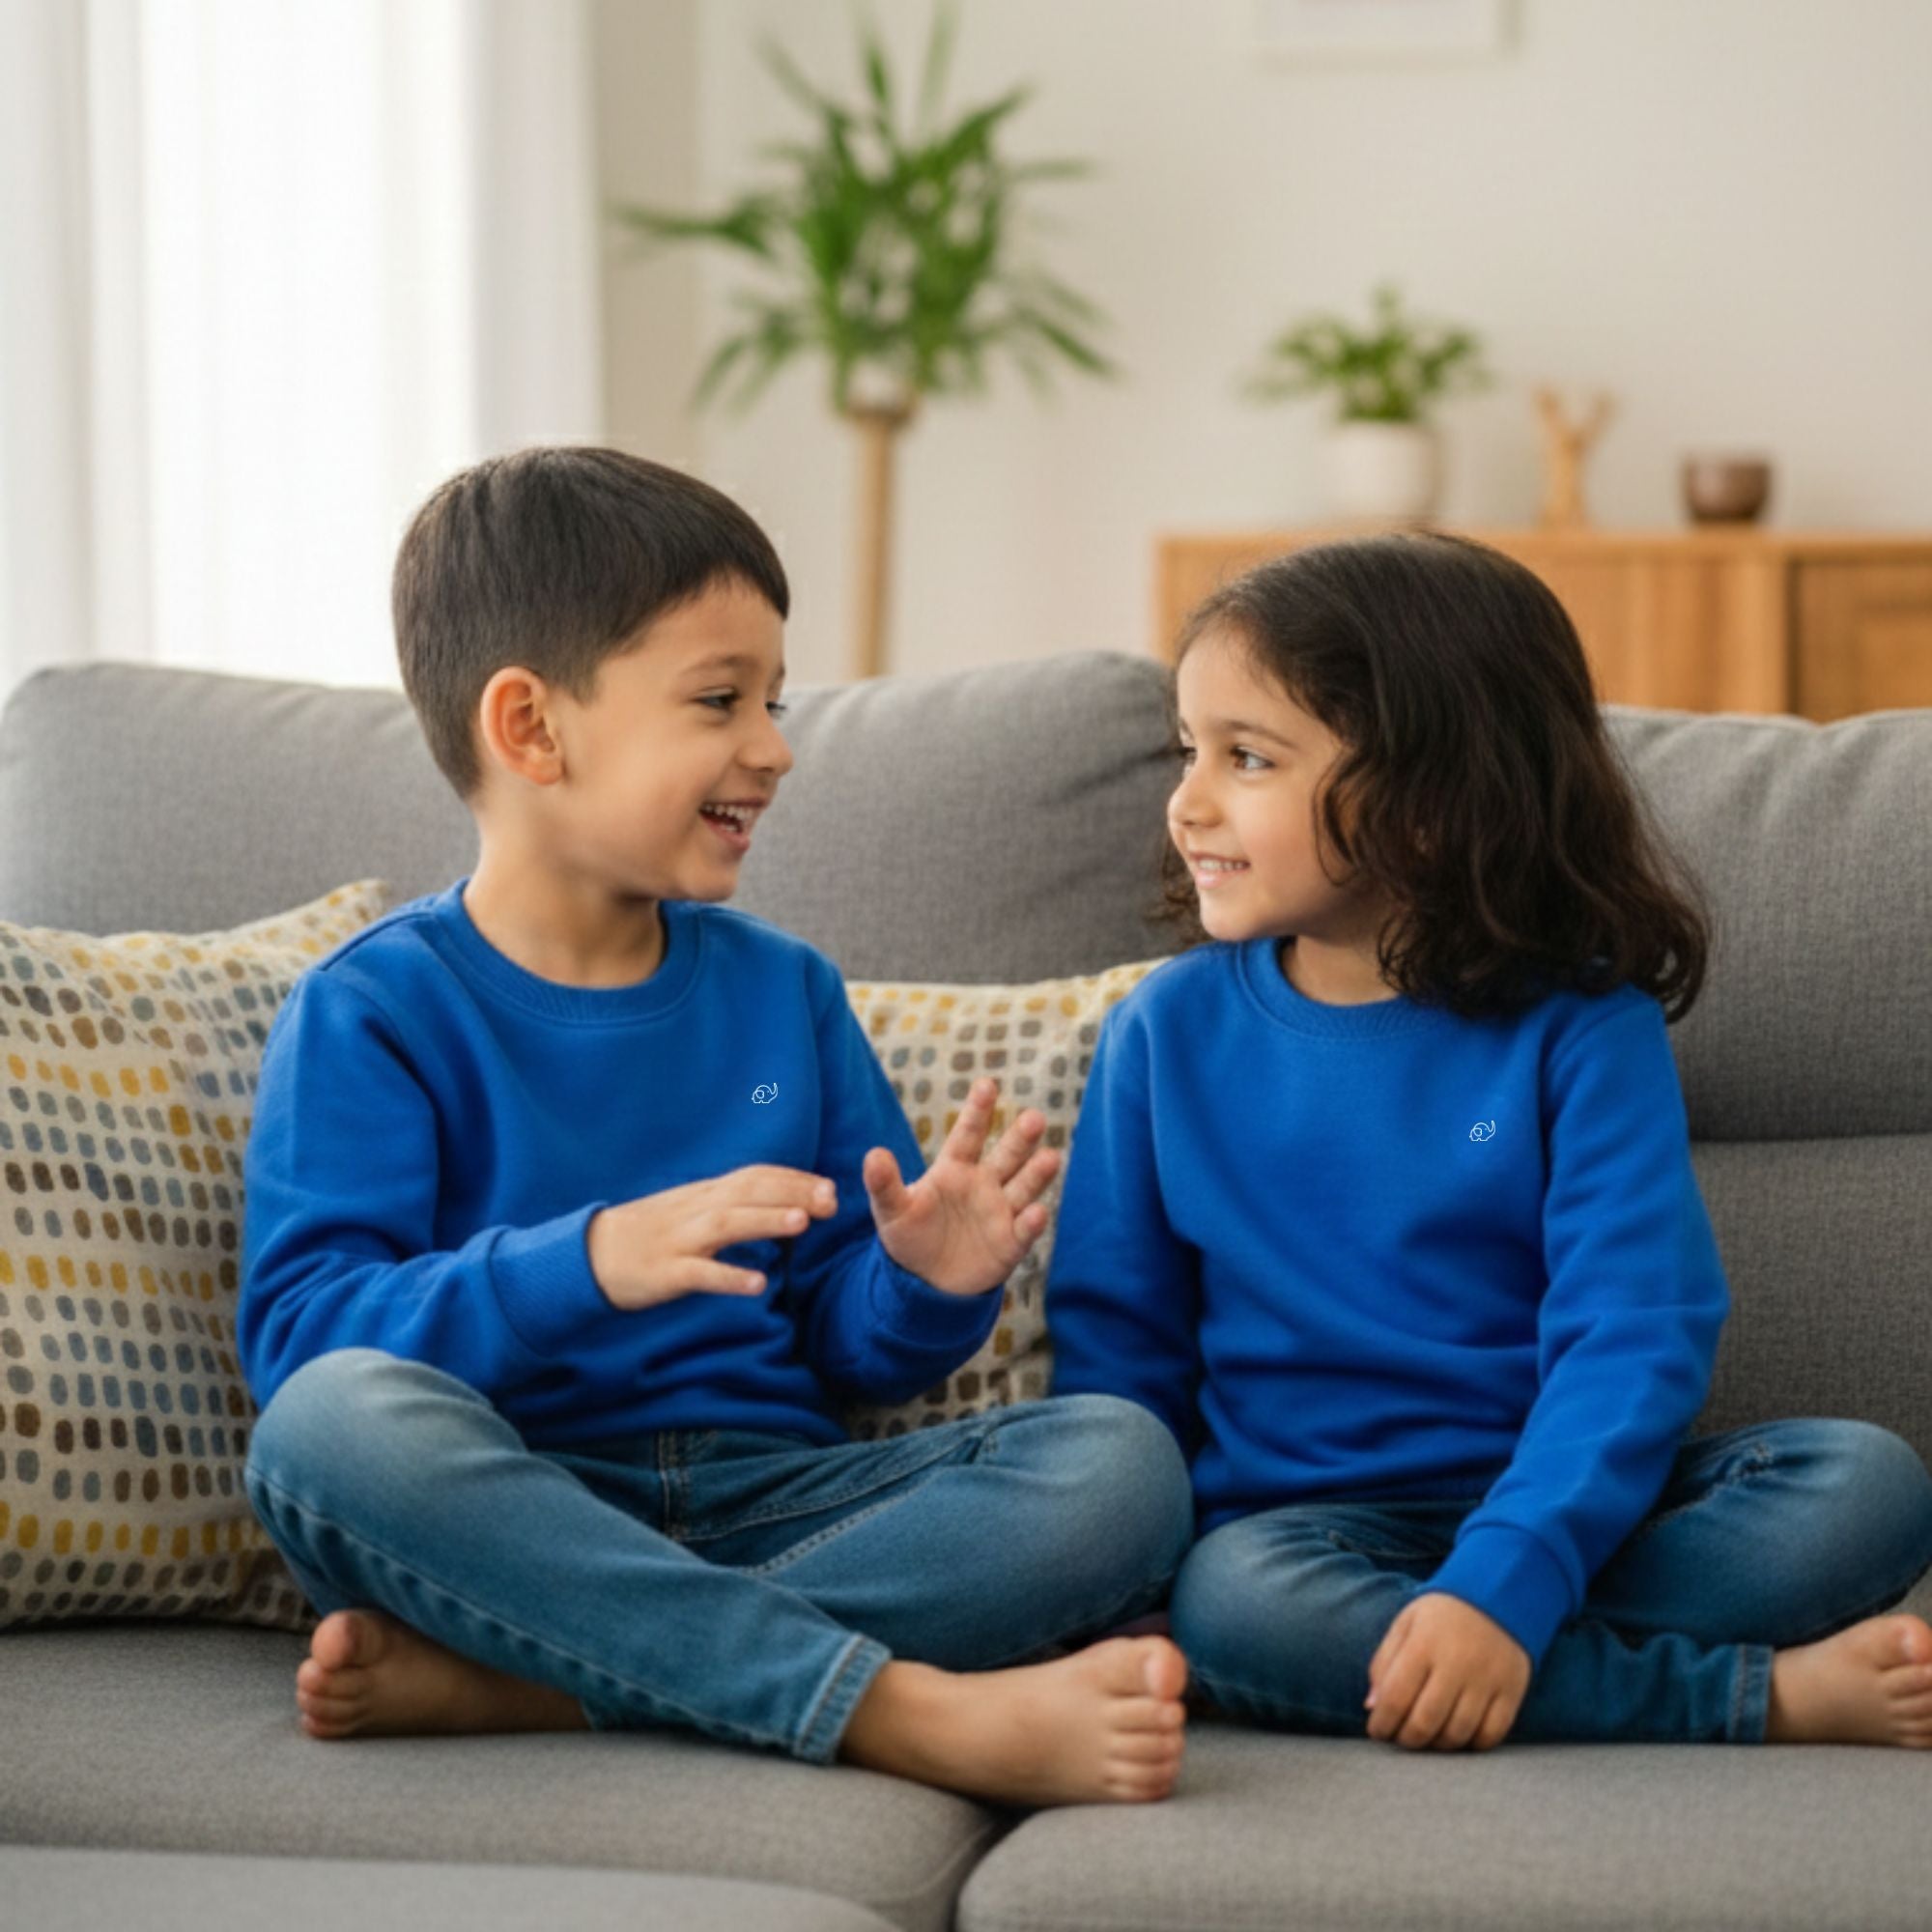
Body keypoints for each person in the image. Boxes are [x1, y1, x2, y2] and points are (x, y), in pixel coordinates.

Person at [237, 446, 1192, 1805]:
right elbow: (305, 1340)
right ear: (531, 728)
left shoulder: (782, 990)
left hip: (778, 1500)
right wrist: (592, 1259)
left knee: (1120, 1468)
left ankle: (546, 1681)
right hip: (505, 1504)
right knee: (328, 1430)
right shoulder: (376, 1010)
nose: (775, 746)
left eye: (775, 699)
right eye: (719, 700)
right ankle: (894, 1709)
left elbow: (841, 1339)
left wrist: (923, 1285)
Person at [1048, 530, 1932, 1751]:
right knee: (1236, 1604)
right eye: (1187, 750)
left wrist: (1504, 1574)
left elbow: (1634, 1329)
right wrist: (1113, 1574)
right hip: (1297, 1536)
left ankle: (1460, 1642)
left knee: (1864, 1485)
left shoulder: (1581, 1030)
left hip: (1568, 1510)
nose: (1186, 801)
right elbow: (1118, 1356)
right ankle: (1734, 1697)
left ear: (1426, 799)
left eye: (1245, 757)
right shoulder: (1164, 1030)